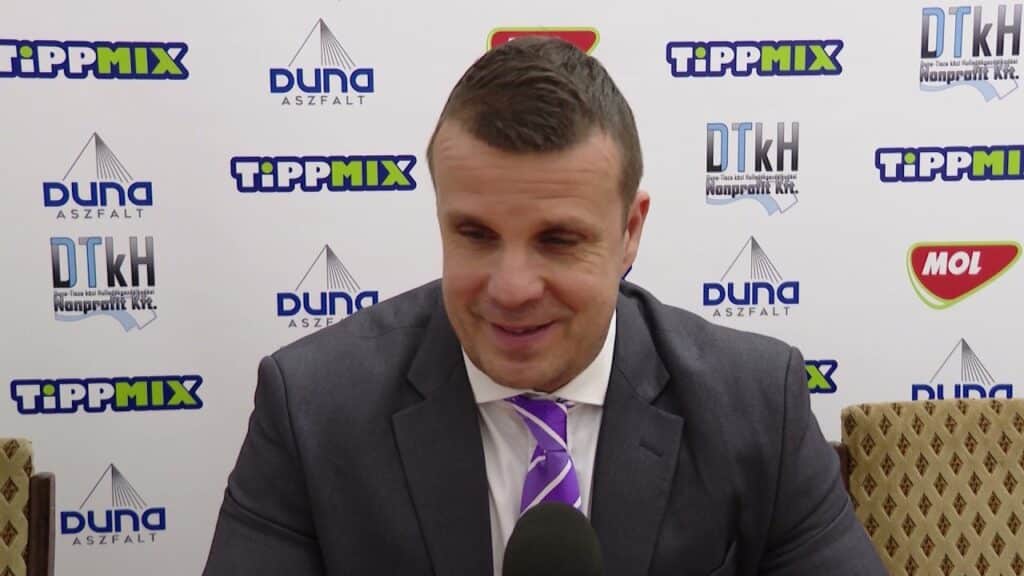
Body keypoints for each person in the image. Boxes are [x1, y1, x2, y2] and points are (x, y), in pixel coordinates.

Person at [203, 37, 885, 575]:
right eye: (475, 235)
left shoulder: (756, 403)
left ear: (630, 232)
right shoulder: (312, 408)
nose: (512, 288)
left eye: (558, 240)